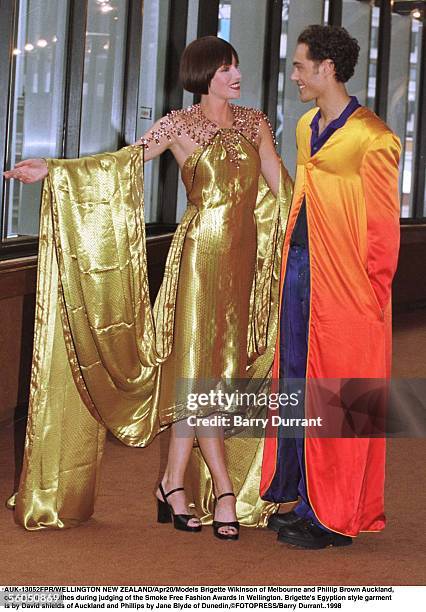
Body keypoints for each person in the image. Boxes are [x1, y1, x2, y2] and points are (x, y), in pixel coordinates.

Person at [4, 36, 292, 537]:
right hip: (200, 260)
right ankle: (223, 490)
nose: (235, 74)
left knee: (213, 374)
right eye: (224, 69)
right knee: (203, 374)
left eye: (235, 65)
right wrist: (54, 169)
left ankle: (171, 483)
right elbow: (123, 163)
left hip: (245, 265)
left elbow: (283, 192)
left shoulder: (255, 122)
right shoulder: (179, 125)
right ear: (202, 76)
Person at [260, 25, 401, 549]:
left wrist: (371, 299)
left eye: (299, 65)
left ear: (327, 68)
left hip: (348, 289)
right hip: (300, 270)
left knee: (340, 395)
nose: (293, 74)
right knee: (297, 384)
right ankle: (301, 494)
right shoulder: (303, 126)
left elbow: (383, 231)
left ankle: (334, 514)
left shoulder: (375, 137)